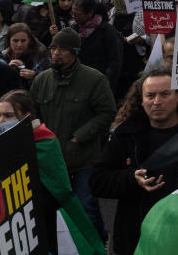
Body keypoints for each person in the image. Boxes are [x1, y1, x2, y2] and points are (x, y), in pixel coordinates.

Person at [90, 69, 178, 255]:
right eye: (150, 95)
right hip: (138, 238)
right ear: (141, 100)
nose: (157, 101)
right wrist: (131, 179)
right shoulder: (126, 134)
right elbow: (98, 182)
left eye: (165, 94)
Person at [0, 90, 106, 255]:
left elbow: (58, 193)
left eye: (8, 116)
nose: (1, 121)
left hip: (43, 224)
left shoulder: (44, 144)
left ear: (26, 117)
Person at [31, 28, 117, 242]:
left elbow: (107, 112)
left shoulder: (94, 79)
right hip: (51, 160)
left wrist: (80, 136)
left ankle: (97, 243)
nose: (56, 53)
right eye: (53, 48)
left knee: (85, 206)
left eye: (62, 49)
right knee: (52, 209)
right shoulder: (41, 81)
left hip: (83, 157)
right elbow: (33, 115)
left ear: (75, 52)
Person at [71, 0, 123, 91]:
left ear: (90, 14)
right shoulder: (74, 29)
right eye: (72, 14)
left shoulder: (107, 31)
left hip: (100, 84)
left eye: (78, 15)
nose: (74, 18)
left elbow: (115, 62)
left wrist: (106, 84)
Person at [0, 23, 50, 89]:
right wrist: (8, 70)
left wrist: (35, 76)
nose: (19, 45)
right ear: (9, 41)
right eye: (15, 41)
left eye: (23, 41)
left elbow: (49, 81)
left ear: (30, 41)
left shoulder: (39, 58)